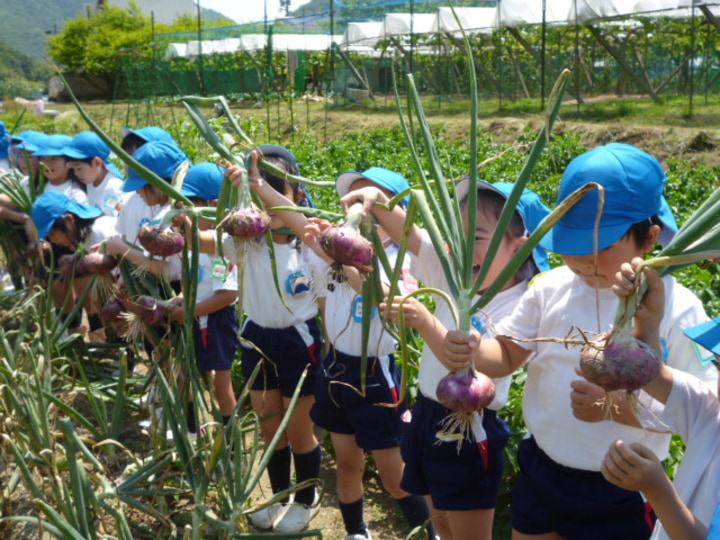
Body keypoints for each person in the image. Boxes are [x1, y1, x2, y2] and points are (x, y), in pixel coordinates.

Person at [442, 143, 717, 540]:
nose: (583, 261)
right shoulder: (550, 288)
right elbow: (505, 356)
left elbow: (698, 417)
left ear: (650, 237)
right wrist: (472, 349)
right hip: (543, 468)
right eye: (572, 247)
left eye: (601, 248)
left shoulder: (674, 307)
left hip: (621, 483)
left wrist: (615, 409)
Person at [342, 177, 550, 540]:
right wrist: (377, 202)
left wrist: (425, 321)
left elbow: (490, 361)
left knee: (468, 526)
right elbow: (413, 237)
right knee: (439, 514)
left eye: (478, 238)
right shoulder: (455, 272)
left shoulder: (524, 302)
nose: (462, 250)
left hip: (468, 425)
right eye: (456, 238)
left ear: (521, 246)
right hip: (427, 410)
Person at [199, 146, 324, 534]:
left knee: (300, 431)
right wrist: (186, 223)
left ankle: (306, 499)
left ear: (296, 196)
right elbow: (206, 240)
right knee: (271, 427)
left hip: (298, 342)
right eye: (257, 191)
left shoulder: (312, 247)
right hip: (256, 339)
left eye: (273, 189)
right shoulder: (247, 243)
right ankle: (278, 498)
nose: (263, 200)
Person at [311, 167, 435, 540]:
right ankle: (356, 531)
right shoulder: (331, 255)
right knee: (347, 464)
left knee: (394, 475)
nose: (359, 211)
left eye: (370, 203)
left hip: (377, 373)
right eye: (353, 201)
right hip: (335, 369)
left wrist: (343, 260)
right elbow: (323, 305)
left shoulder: (402, 258)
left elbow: (386, 296)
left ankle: (431, 532)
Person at [601, 257, 720, 540]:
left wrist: (658, 489)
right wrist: (648, 322)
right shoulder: (711, 409)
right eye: (716, 363)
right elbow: (652, 375)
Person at [167, 162, 239, 437]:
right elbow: (189, 282)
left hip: (218, 321)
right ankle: (191, 433)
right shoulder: (189, 244)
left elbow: (227, 295)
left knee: (221, 385)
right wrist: (182, 299)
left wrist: (190, 311)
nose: (184, 214)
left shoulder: (224, 246)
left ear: (215, 206)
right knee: (184, 375)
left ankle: (230, 443)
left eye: (192, 205)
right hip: (196, 315)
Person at [31, 191, 118, 340]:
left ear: (69, 220)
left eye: (52, 234)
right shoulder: (86, 239)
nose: (53, 241)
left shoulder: (101, 232)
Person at [61, 131, 126, 217]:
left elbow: (118, 223)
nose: (76, 173)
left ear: (97, 162)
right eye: (74, 169)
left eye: (79, 168)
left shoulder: (113, 188)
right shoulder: (91, 182)